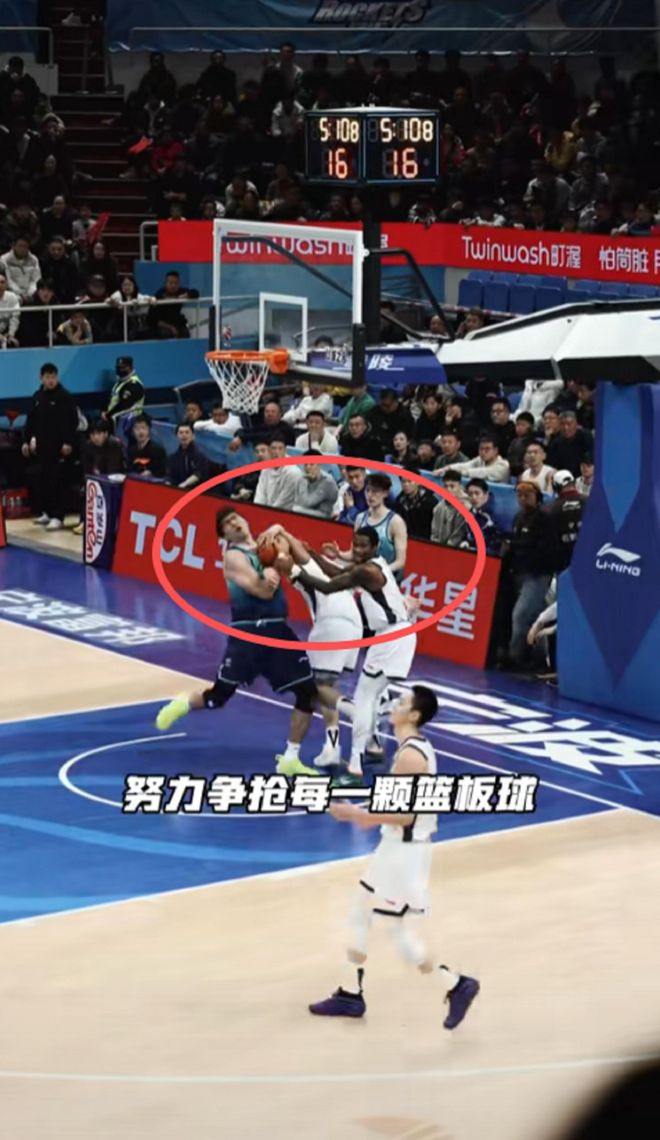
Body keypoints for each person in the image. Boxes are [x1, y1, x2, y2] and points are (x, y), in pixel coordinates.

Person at [308, 685, 480, 1028]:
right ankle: (350, 993)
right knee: (360, 912)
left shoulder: (411, 757)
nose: (394, 705)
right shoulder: (412, 749)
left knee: (400, 935)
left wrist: (357, 815)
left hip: (404, 854)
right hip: (395, 849)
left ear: (413, 715)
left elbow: (406, 815)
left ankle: (456, 983)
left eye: (401, 702)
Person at [156, 507, 317, 770]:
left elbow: (299, 557)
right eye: (227, 524)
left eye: (235, 518)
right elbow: (263, 590)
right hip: (249, 634)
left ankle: (290, 759)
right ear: (225, 535)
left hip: (278, 631)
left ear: (245, 519)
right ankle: (183, 702)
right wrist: (274, 564)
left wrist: (279, 530)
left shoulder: (266, 543)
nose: (234, 523)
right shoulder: (233, 556)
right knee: (219, 697)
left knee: (307, 692)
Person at [280, 526, 417, 784]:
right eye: (355, 545)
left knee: (363, 700)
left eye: (364, 545)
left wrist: (295, 571)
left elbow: (329, 586)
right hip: (394, 635)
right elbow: (338, 572)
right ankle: (372, 745)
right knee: (370, 697)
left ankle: (355, 769)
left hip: (392, 636)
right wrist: (314, 554)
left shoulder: (368, 571)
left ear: (375, 547)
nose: (358, 550)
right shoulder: (370, 566)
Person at [260, 523, 362, 770]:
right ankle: (331, 748)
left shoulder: (305, 565)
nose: (280, 540)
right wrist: (280, 533)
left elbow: (289, 551)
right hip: (352, 626)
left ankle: (354, 711)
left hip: (333, 623)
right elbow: (288, 553)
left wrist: (279, 530)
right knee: (325, 687)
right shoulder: (307, 566)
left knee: (309, 690)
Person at [505, 481, 555, 669]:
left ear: (537, 497)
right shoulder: (518, 517)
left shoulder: (544, 518)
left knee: (520, 614)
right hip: (520, 572)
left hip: (538, 574)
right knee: (535, 616)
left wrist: (515, 545)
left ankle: (515, 657)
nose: (523, 498)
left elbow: (543, 547)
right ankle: (539, 659)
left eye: (527, 495)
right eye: (519, 495)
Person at [22, 362, 78, 531]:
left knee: (58, 481)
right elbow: (30, 422)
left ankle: (58, 516)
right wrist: (26, 441)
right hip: (42, 447)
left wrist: (68, 442)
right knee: (43, 480)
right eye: (47, 377)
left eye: (53, 377)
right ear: (42, 378)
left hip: (59, 448)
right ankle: (46, 512)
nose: (51, 380)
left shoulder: (65, 397)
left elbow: (73, 421)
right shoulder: (37, 397)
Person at [328, 473, 407, 580]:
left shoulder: (396, 522)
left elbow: (400, 562)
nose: (370, 495)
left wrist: (379, 571)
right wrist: (338, 554)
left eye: (375, 491)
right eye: (368, 490)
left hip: (385, 580)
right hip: (362, 577)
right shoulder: (360, 518)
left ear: (386, 493)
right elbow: (354, 554)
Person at [545, 469, 585, 572]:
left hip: (563, 561)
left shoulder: (550, 508)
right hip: (589, 557)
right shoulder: (591, 501)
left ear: (556, 487)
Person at [253, 436, 301, 510]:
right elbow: (260, 495)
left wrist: (266, 513)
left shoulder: (293, 473)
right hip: (265, 511)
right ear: (269, 450)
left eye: (280, 448)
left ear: (285, 450)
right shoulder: (265, 469)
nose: (277, 452)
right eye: (274, 448)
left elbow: (283, 503)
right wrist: (257, 510)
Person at [546, 409, 593, 476]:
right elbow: (552, 466)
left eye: (569, 424)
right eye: (562, 424)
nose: (566, 428)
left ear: (576, 424)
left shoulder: (586, 437)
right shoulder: (556, 444)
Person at [430, 469, 469, 547]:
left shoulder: (466, 507)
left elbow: (457, 536)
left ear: (460, 487)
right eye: (446, 486)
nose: (448, 490)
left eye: (452, 486)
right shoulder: (438, 507)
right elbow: (434, 533)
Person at [462, 478, 501, 554]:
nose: (474, 497)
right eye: (470, 494)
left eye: (477, 493)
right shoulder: (471, 511)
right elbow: (466, 534)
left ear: (486, 494)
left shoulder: (495, 515)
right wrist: (465, 542)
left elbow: (497, 544)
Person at [166, 423, 210, 489]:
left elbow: (199, 475)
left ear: (193, 436)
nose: (184, 435)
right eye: (181, 433)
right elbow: (170, 476)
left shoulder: (201, 457)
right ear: (177, 436)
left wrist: (185, 484)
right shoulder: (172, 457)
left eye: (187, 432)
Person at [394, 469, 435, 540]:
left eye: (409, 481)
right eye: (403, 481)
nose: (406, 484)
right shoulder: (399, 501)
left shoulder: (430, 502)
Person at [105, 356, 145, 426]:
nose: (120, 370)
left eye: (123, 367)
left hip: (129, 421)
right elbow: (112, 399)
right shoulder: (120, 382)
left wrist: (108, 415)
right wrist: (104, 410)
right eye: (118, 367)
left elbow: (125, 405)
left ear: (130, 367)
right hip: (115, 419)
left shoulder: (134, 384)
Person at [0, 268, 20, 347]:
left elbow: (15, 318)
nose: (0, 285)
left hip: (7, 333)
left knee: (13, 343)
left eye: (2, 282)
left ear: (6, 284)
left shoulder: (12, 297)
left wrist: (11, 335)